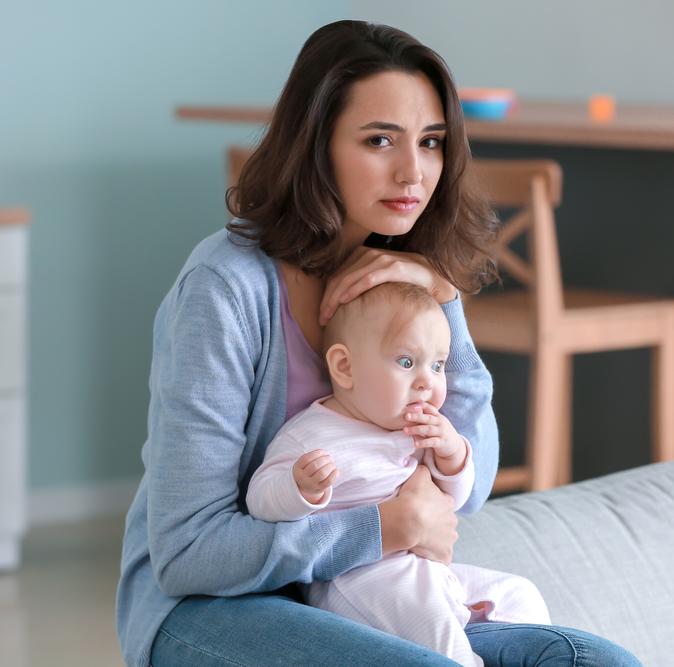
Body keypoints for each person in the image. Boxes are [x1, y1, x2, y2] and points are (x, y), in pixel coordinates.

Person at [116, 19, 642, 667]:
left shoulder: (404, 273)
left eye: (430, 142)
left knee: (595, 661)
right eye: (378, 140)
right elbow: (186, 554)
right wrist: (382, 527)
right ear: (317, 147)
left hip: (367, 593)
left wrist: (443, 295)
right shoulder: (225, 288)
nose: (412, 171)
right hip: (208, 610)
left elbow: (468, 484)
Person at [247, 282, 551, 667]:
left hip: (428, 570)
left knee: (521, 594)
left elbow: (453, 501)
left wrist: (452, 452)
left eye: (438, 365)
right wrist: (298, 488)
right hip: (359, 578)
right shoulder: (310, 435)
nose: (427, 381)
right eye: (407, 362)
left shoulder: (416, 431)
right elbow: (260, 499)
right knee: (442, 640)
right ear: (345, 367)